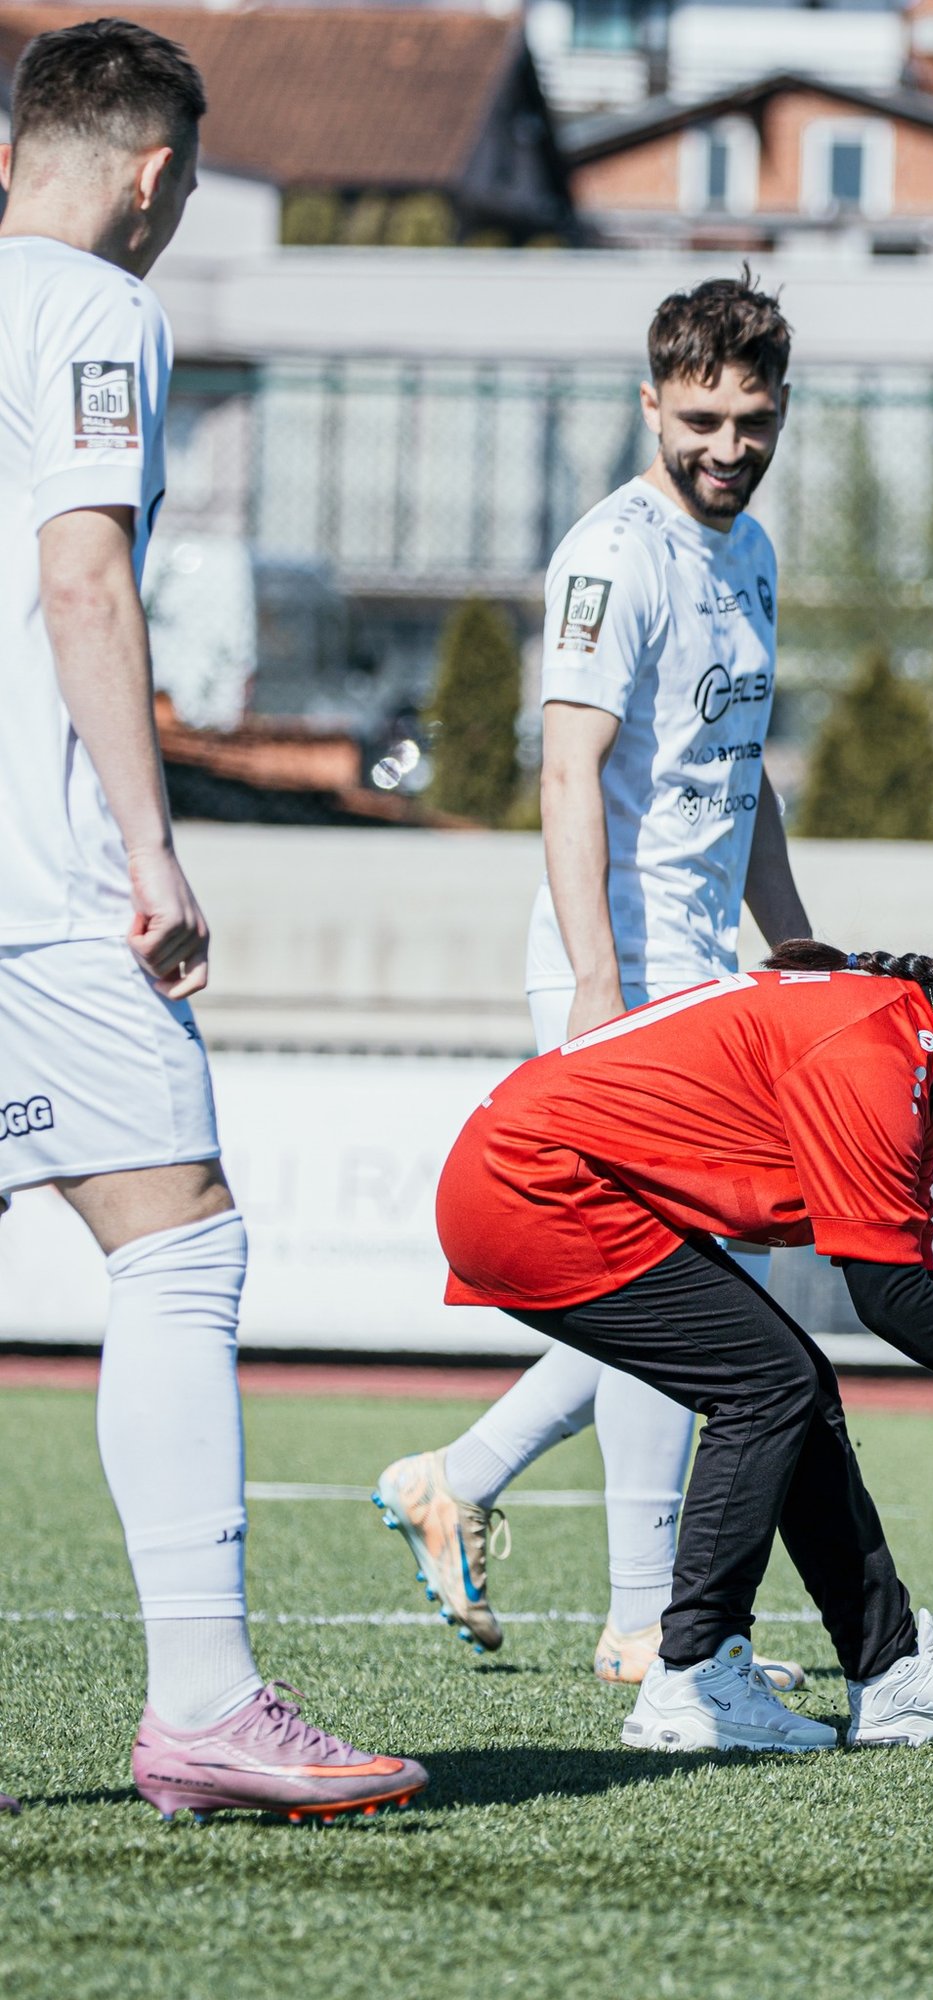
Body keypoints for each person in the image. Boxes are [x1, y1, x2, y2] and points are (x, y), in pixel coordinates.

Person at [0, 19, 426, 1821]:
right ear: (157, 175)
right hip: (38, 884)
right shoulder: (97, 311)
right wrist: (152, 850)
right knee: (177, 1246)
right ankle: (200, 1704)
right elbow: (83, 575)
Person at [424, 895, 933, 1752]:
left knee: (789, 1385)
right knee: (769, 1385)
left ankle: (888, 1672)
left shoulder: (912, 1046)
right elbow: (889, 1296)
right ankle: (692, 1679)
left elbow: (901, 1281)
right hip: (530, 1185)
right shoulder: (880, 1046)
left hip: (543, 1174)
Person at [376, 271, 811, 1688]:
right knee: (702, 1299)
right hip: (616, 971)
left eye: (753, 420)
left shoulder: (747, 554)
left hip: (703, 971)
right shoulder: (612, 556)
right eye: (701, 419)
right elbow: (568, 772)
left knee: (706, 1296)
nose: (728, 446)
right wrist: (595, 984)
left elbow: (740, 775)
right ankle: (639, 1617)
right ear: (651, 406)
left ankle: (458, 1480)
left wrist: (791, 942)